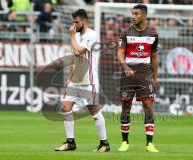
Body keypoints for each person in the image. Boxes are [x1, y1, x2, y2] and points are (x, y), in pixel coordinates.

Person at [54, 9, 110, 152]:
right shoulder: (77, 35)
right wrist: (69, 76)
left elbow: (79, 51)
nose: (74, 24)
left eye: (76, 22)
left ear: (84, 22)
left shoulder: (92, 35)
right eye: (73, 21)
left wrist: (71, 36)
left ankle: (104, 143)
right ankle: (70, 142)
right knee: (65, 107)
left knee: (94, 110)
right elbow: (75, 57)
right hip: (75, 79)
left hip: (88, 79)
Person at [117, 4, 159, 152]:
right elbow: (120, 53)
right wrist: (125, 66)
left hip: (144, 75)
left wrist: (155, 78)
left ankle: (149, 144)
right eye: (132, 13)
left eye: (137, 14)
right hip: (128, 74)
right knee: (126, 107)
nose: (133, 16)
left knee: (148, 107)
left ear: (145, 16)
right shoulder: (125, 33)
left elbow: (154, 58)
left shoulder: (153, 35)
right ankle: (125, 142)